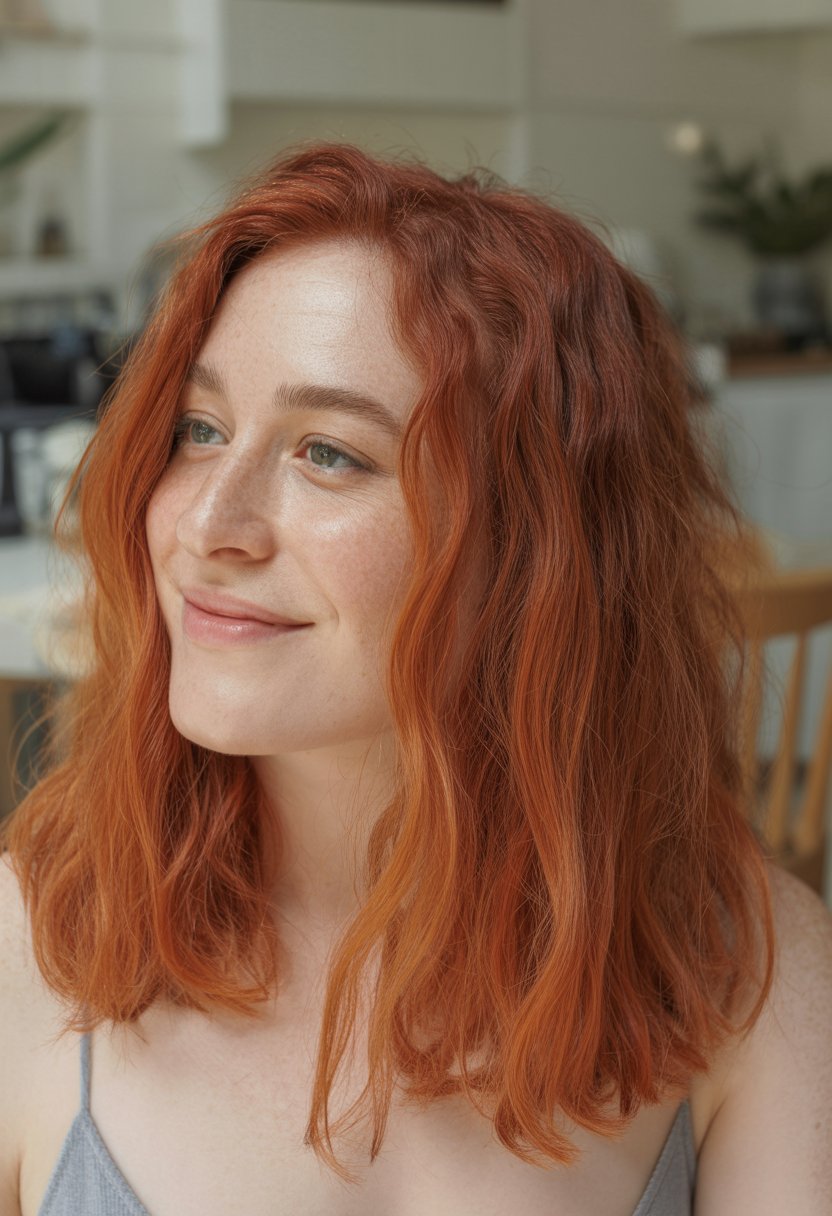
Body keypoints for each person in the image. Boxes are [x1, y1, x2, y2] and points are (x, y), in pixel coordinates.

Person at [1, 141, 830, 1216]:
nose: (207, 523)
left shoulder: (750, 969)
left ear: (534, 553)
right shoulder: (29, 947)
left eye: (329, 454)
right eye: (199, 431)